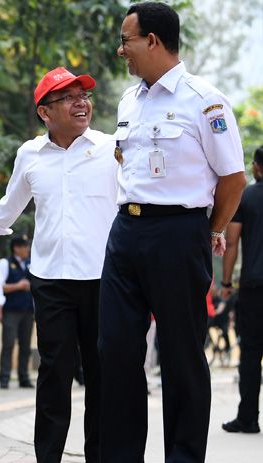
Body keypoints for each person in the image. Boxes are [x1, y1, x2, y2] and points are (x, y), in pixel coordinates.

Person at [98, 3, 247, 462]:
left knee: (182, 356)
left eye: (126, 40)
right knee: (116, 351)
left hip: (179, 234)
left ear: (153, 41)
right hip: (125, 231)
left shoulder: (205, 99)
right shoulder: (130, 100)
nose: (121, 50)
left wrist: (210, 230)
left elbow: (233, 178)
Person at [0, 66, 117, 462]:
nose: (81, 103)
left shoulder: (112, 148)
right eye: (69, 98)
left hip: (102, 279)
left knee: (100, 374)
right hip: (51, 280)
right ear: (45, 112)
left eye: (84, 96)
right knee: (54, 372)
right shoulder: (30, 154)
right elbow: (7, 210)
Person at [221, 146, 263, 434]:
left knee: (250, 352)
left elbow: (232, 242)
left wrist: (225, 283)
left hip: (254, 286)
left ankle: (248, 417)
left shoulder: (247, 196)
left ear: (258, 167)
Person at [0, 235, 35, 390]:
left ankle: (23, 377)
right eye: (25, 246)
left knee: (26, 346)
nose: (28, 249)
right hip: (11, 311)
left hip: (27, 311)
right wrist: (18, 286)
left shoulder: (30, 264)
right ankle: (4, 378)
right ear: (16, 248)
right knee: (8, 344)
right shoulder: (5, 263)